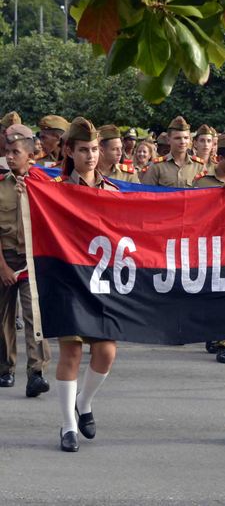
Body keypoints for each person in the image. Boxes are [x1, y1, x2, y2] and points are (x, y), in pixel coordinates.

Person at [47, 117, 119, 452]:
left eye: (94, 149)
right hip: (69, 280)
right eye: (84, 150)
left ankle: (84, 402)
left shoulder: (114, 192)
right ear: (69, 151)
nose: (91, 156)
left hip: (103, 282)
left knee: (106, 351)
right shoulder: (55, 190)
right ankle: (68, 426)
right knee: (71, 351)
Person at [0, 124, 51, 395]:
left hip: (33, 259)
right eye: (7, 151)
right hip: (4, 258)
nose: (9, 157)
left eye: (15, 152)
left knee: (34, 316)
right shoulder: (0, 185)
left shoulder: (44, 185)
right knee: (3, 317)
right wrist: (3, 267)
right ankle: (5, 368)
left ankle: (36, 372)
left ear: (30, 156)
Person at [193, 133, 225, 364]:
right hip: (209, 244)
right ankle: (213, 333)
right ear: (219, 158)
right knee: (211, 292)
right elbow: (194, 214)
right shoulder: (202, 181)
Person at [142, 116, 205, 188]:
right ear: (168, 140)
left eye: (186, 138)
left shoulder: (199, 166)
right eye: (177, 138)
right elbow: (147, 194)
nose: (182, 142)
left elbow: (207, 194)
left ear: (190, 140)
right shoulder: (156, 166)